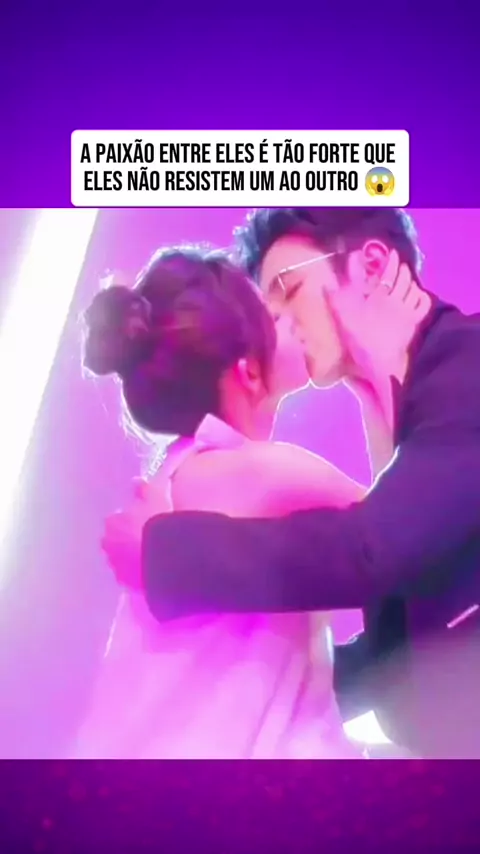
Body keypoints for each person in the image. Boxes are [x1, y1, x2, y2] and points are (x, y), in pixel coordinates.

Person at [104, 209, 480, 758]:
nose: (277, 321)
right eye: (266, 307)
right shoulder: (409, 424)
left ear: (373, 266)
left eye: (288, 289)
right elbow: (399, 637)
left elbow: (371, 551)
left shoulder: (468, 367)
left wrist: (164, 552)